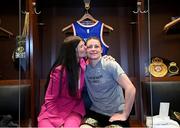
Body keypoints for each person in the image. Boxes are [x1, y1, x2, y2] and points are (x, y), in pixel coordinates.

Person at [82, 37, 136, 127]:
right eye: (90, 47)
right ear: (86, 50)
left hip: (116, 114)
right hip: (95, 113)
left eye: (96, 46)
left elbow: (131, 88)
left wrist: (125, 114)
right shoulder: (83, 68)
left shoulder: (110, 64)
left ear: (101, 50)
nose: (93, 49)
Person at [37, 36, 87, 127]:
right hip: (53, 112)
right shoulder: (59, 71)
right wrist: (58, 123)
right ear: (73, 51)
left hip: (74, 110)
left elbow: (97, 60)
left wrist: (107, 58)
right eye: (82, 46)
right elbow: (50, 100)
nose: (86, 47)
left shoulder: (84, 64)